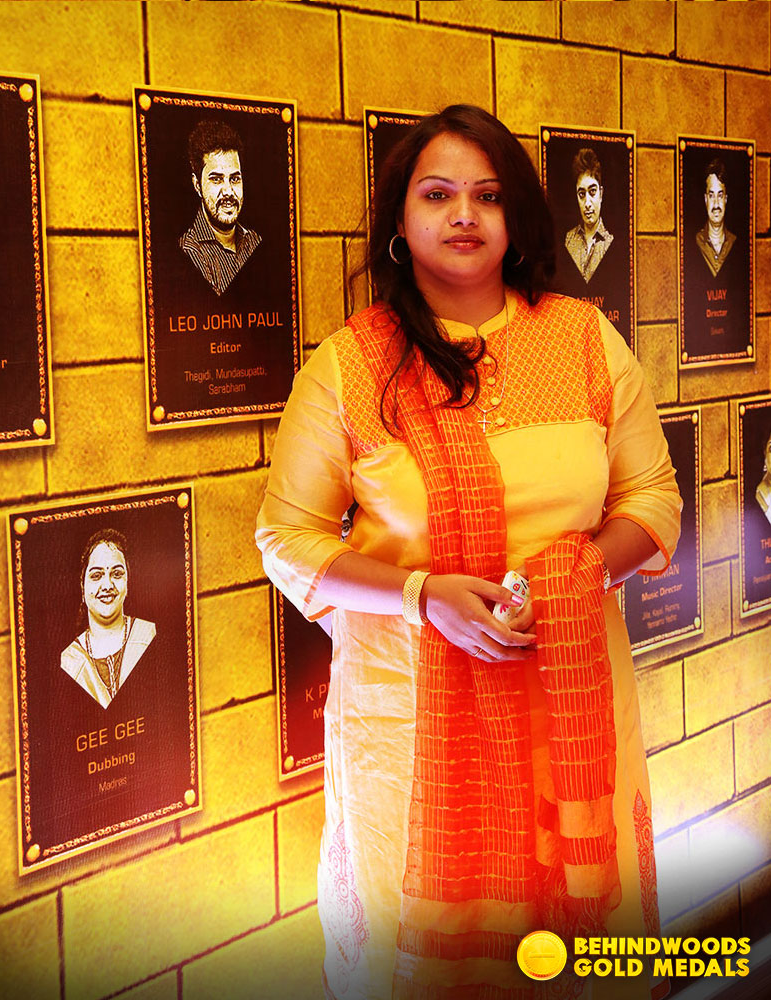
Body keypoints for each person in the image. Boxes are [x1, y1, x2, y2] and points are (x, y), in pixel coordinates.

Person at [257, 105, 681, 1000]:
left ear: (515, 216)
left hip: (570, 703)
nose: (463, 215)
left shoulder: (585, 339)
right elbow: (287, 539)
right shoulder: (350, 366)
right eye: (438, 194)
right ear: (399, 219)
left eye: (487, 196)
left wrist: (575, 577)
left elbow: (652, 498)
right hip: (414, 728)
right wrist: (424, 595)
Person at [60, 529, 156, 709]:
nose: (107, 585)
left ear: (128, 582)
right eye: (96, 576)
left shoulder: (150, 634)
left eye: (117, 574)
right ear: (82, 586)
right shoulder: (69, 660)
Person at [179, 119, 261, 296]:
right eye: (216, 179)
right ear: (197, 185)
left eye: (235, 179)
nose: (228, 192)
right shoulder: (190, 251)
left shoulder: (254, 241)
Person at [564, 147, 614, 284]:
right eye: (581, 194)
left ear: (601, 194)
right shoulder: (568, 240)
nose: (587, 203)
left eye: (592, 192)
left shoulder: (610, 241)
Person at [695, 159, 735, 278]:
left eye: (720, 195)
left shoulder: (735, 243)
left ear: (726, 199)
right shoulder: (695, 242)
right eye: (711, 196)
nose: (716, 204)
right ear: (706, 199)